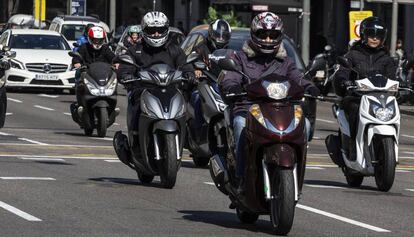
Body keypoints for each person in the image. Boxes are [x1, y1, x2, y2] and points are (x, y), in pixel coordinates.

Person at [219, 12, 319, 193]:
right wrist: (232, 86)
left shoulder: (286, 62)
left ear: (279, 36)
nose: (267, 39)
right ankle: (240, 178)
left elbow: (298, 78)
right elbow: (230, 77)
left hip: (280, 110)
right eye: (262, 34)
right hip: (249, 108)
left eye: (272, 35)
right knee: (240, 124)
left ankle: (296, 175)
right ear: (253, 34)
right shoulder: (240, 58)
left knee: (305, 124)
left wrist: (310, 86)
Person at [114, 11, 194, 159]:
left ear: (166, 30)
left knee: (187, 107)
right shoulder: (136, 50)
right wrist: (126, 75)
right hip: (143, 90)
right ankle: (135, 143)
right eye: (152, 30)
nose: (156, 34)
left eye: (160, 30)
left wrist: (190, 74)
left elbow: (185, 65)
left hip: (170, 90)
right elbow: (125, 65)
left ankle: (188, 137)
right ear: (144, 31)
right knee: (137, 105)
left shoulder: (174, 49)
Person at [333, 16, 396, 160]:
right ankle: (354, 146)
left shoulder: (387, 59)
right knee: (354, 107)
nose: (374, 38)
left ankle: (390, 149)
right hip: (357, 96)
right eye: (371, 35)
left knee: (393, 107)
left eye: (378, 36)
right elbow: (342, 72)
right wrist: (344, 81)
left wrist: (402, 87)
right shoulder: (353, 55)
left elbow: (393, 78)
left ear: (383, 38)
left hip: (381, 98)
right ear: (363, 35)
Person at [70, 26, 117, 117]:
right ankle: (80, 104)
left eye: (99, 40)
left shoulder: (105, 48)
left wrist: (117, 63)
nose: (97, 42)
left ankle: (112, 107)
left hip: (102, 76)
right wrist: (77, 63)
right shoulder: (84, 47)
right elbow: (77, 56)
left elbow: (113, 58)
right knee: (80, 85)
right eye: (95, 40)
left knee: (113, 83)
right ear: (90, 39)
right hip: (87, 74)